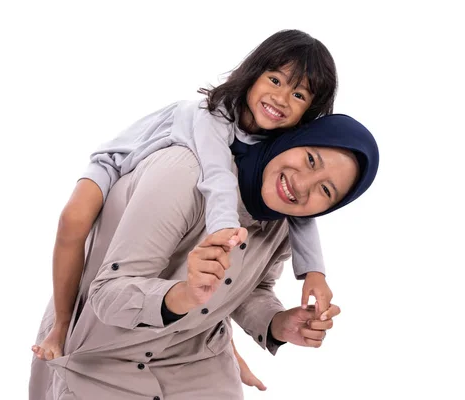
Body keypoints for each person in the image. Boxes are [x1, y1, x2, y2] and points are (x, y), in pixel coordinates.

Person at [32, 29, 339, 386]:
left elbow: (298, 212)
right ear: (253, 74)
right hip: (119, 161)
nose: (281, 97)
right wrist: (225, 231)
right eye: (274, 79)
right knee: (73, 221)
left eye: (298, 94)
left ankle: (222, 350)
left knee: (211, 272)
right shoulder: (212, 117)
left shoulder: (276, 150)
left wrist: (313, 271)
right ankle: (60, 326)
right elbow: (217, 176)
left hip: (193, 198)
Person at [29, 114, 380, 399]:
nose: (302, 185)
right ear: (289, 139)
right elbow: (107, 295)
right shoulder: (184, 173)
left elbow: (252, 290)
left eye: (325, 190)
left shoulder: (285, 224)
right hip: (100, 356)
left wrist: (279, 323)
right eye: (309, 159)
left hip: (196, 361)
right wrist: (182, 295)